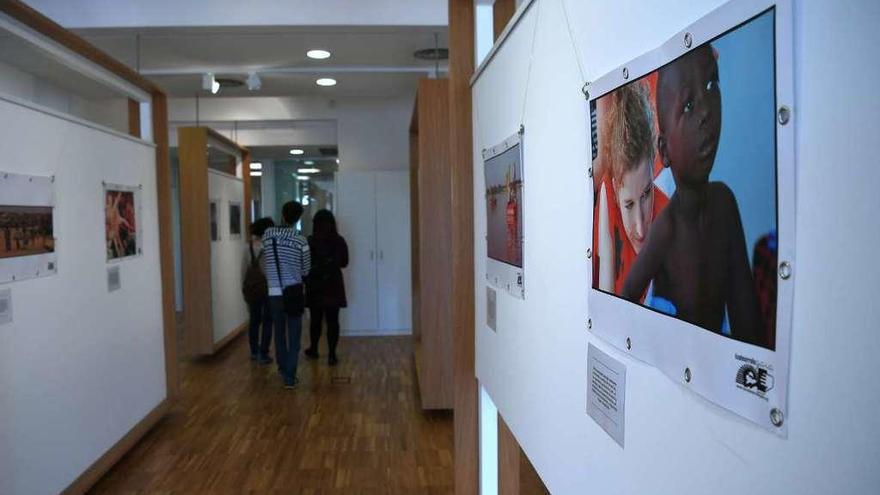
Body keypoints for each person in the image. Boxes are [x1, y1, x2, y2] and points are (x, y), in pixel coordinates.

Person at [621, 44, 762, 346]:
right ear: (663, 150)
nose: (706, 112)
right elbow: (627, 296)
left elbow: (748, 324)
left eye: (712, 85)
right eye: (688, 106)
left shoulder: (724, 203)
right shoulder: (667, 229)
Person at [594, 80, 669, 297]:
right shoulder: (607, 194)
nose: (640, 227)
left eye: (647, 194)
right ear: (616, 191)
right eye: (629, 204)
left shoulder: (668, 217)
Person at [262, 202, 311, 388]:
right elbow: (306, 269)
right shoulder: (301, 240)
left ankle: (283, 368)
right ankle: (290, 376)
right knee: (294, 334)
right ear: (298, 218)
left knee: (279, 333)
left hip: (273, 291)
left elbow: (265, 260)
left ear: (282, 214)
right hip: (294, 292)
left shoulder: (268, 235)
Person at [303, 210, 349, 366]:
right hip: (333, 284)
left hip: (315, 284)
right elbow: (344, 262)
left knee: (315, 320)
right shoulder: (339, 241)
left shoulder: (310, 241)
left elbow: (305, 264)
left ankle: (314, 349)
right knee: (333, 321)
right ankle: (332, 354)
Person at [244, 217, 275, 364]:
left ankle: (253, 351)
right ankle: (264, 353)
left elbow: (243, 271)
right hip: (269, 288)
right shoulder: (271, 246)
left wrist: (243, 289)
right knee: (268, 321)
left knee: (254, 321)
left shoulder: (248, 246)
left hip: (252, 288)